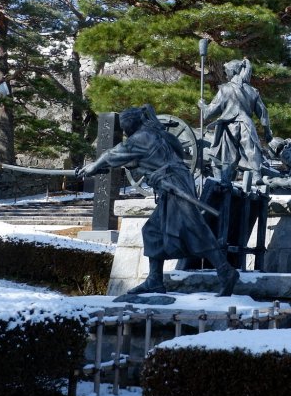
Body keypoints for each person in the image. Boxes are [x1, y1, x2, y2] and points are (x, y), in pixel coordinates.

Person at [78, 105, 239, 296]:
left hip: (173, 184)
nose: (125, 130)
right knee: (152, 231)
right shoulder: (158, 134)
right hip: (173, 182)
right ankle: (154, 280)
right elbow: (158, 156)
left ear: (131, 124)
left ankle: (225, 271)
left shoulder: (141, 137)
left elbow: (115, 153)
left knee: (193, 227)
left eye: (125, 125)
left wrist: (94, 166)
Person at [198, 58, 272, 184]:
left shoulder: (225, 89)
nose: (226, 74)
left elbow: (210, 112)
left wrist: (203, 106)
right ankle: (257, 178)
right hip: (247, 125)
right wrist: (267, 131)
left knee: (228, 156)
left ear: (232, 72)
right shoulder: (252, 91)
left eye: (227, 71)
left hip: (229, 126)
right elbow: (263, 112)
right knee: (251, 152)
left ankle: (225, 182)